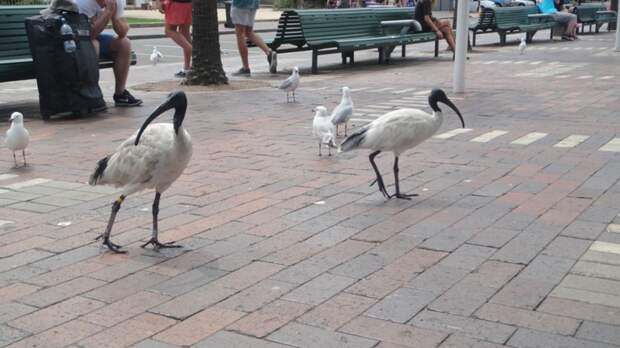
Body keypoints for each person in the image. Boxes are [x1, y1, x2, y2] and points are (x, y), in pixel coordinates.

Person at [75, 0, 142, 107]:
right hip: (76, 38)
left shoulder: (117, 1)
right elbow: (89, 34)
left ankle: (120, 94)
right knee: (93, 44)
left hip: (91, 36)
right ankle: (91, 93)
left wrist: (114, 15)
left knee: (124, 43)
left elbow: (122, 32)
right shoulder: (83, 3)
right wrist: (107, 12)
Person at [231, 0, 277, 75]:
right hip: (253, 3)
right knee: (248, 32)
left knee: (240, 34)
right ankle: (269, 52)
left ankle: (246, 68)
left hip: (240, 4)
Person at [156, 0, 192, 77]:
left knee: (169, 30)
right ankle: (187, 68)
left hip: (175, 3)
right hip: (188, 3)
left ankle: (192, 51)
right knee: (185, 33)